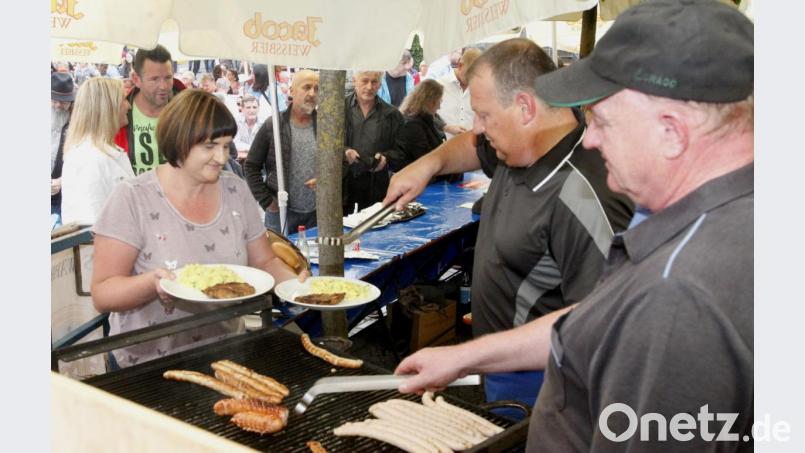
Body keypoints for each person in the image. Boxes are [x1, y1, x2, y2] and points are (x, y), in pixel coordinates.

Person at [395, 1, 754, 450]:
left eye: (602, 120)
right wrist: (469, 356)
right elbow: (597, 319)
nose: (592, 137)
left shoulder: (679, 292)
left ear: (671, 131)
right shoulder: (731, 215)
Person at [383, 38, 633, 417]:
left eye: (484, 116)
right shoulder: (517, 145)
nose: (477, 129)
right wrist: (429, 164)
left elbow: (602, 325)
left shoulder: (583, 197)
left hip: (547, 387)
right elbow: (470, 146)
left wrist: (467, 356)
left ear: (525, 108)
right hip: (496, 365)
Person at [91, 89, 305, 369]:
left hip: (224, 354)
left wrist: (298, 288)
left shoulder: (236, 190)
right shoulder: (132, 197)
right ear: (179, 141)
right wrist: (151, 284)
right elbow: (103, 293)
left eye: (227, 145)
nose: (221, 157)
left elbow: (265, 261)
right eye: (209, 146)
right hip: (145, 362)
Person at [245, 70, 320, 235]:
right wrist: (267, 201)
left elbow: (337, 163)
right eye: (306, 87)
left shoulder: (325, 126)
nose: (312, 93)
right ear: (292, 91)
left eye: (317, 88)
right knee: (280, 258)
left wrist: (325, 179)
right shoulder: (273, 125)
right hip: (281, 213)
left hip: (317, 213)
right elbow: (250, 166)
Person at [60, 78, 134, 225]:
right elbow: (90, 229)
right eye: (124, 99)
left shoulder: (99, 153)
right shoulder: (90, 158)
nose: (129, 106)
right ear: (108, 107)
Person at [116, 44, 185, 175]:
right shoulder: (119, 115)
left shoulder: (189, 110)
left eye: (168, 78)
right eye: (154, 79)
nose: (163, 86)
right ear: (136, 79)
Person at [344, 71, 404, 212]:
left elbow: (402, 150)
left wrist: (386, 157)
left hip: (375, 182)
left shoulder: (391, 114)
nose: (369, 87)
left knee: (374, 227)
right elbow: (324, 143)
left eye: (374, 82)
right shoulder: (339, 109)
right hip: (343, 183)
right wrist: (344, 151)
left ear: (380, 84)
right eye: (364, 81)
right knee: (341, 228)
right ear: (354, 81)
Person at [388, 79, 446, 171]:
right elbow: (425, 160)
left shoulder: (420, 120)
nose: (439, 107)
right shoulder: (413, 125)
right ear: (431, 102)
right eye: (439, 102)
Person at [437, 47, 482, 139]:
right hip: (443, 146)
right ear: (460, 65)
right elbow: (426, 115)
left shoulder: (481, 89)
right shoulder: (439, 85)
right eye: (470, 75)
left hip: (470, 147)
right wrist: (446, 127)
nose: (472, 80)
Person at [51, 72, 75, 217]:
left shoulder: (77, 118)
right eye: (54, 100)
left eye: (63, 101)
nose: (58, 105)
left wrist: (62, 180)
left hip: (63, 193)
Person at [233, 95, 262, 160]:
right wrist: (254, 148)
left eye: (254, 107)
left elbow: (263, 146)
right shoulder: (236, 122)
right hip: (240, 159)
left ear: (259, 108)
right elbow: (235, 143)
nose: (252, 110)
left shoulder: (264, 123)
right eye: (248, 107)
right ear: (242, 109)